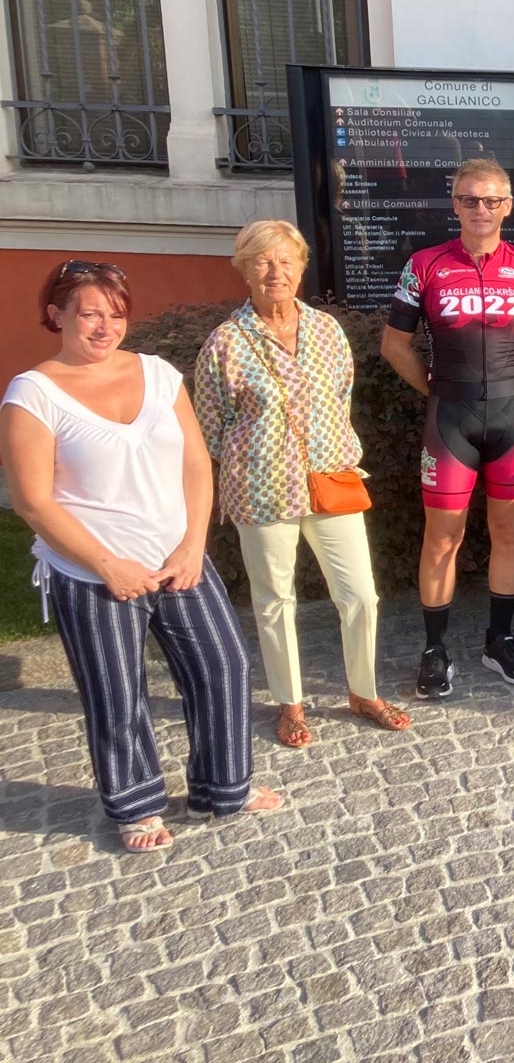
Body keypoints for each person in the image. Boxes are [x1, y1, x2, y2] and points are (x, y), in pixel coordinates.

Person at [0, 262, 281, 853]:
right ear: (56, 315)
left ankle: (224, 787)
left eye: (116, 314)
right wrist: (107, 565)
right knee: (115, 691)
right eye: (90, 313)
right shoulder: (33, 392)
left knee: (223, 666)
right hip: (92, 571)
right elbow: (31, 500)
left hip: (178, 556)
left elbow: (196, 464)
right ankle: (136, 805)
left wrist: (193, 544)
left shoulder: (157, 374)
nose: (105, 327)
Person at [195, 220, 409, 747]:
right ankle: (289, 703)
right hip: (262, 489)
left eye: (287, 260)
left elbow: (340, 398)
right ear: (244, 269)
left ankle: (363, 691)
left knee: (361, 594)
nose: (276, 271)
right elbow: (209, 426)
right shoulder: (226, 342)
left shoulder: (325, 330)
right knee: (274, 600)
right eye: (264, 261)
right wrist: (256, 459)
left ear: (301, 267)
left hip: (329, 479)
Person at [380, 157, 514, 700]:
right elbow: (394, 345)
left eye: (491, 200)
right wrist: (437, 390)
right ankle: (434, 648)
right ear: (454, 203)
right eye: (468, 199)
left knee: (508, 534)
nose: (480, 209)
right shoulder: (425, 264)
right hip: (451, 419)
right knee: (443, 539)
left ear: (508, 205)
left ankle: (498, 639)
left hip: (513, 416)